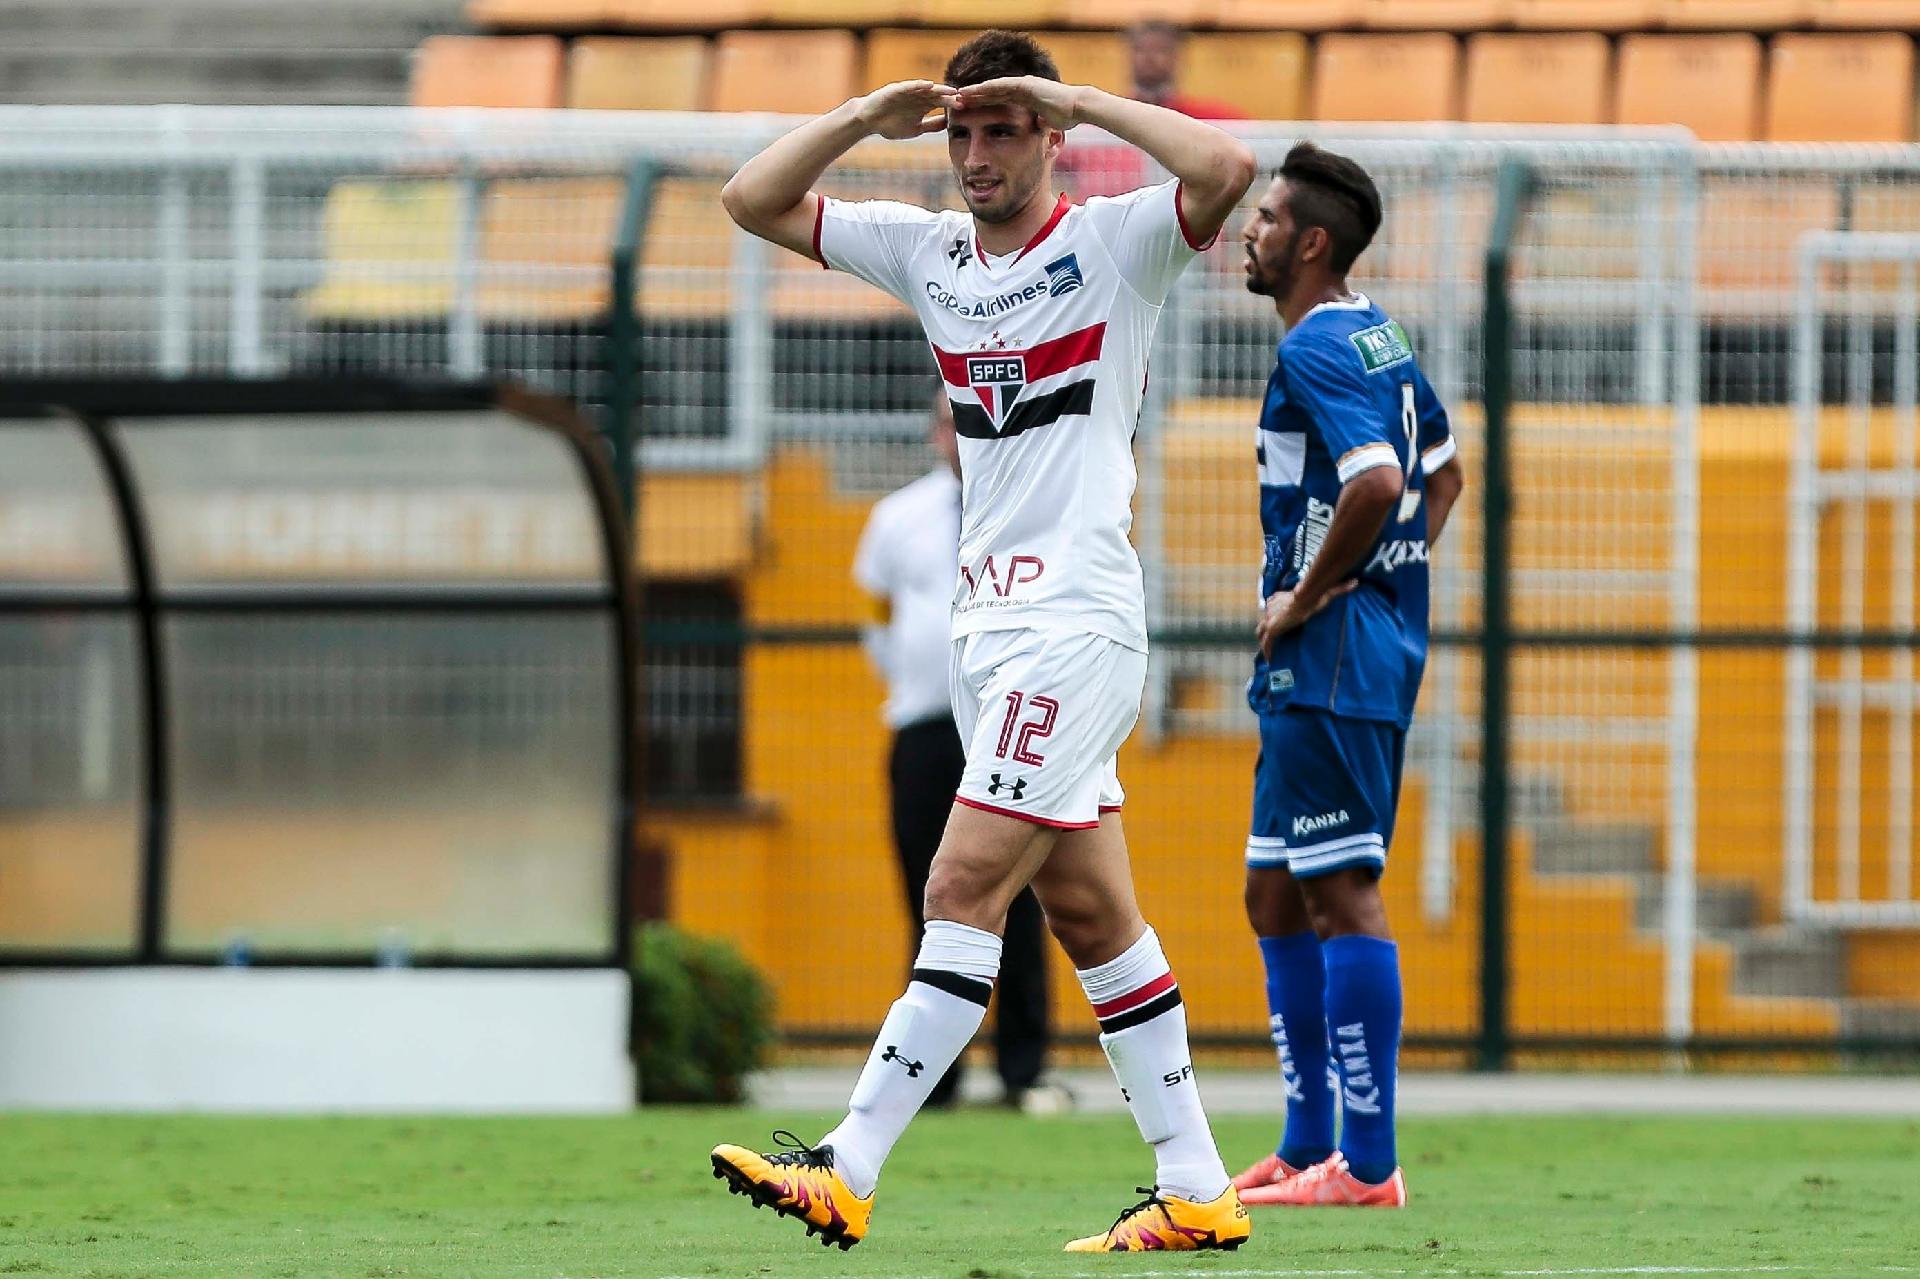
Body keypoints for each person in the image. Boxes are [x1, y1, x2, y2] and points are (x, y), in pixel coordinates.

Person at [711, 28, 1258, 1254]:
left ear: (1050, 140)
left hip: (1074, 622)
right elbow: (751, 200)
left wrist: (1077, 97)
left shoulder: (1114, 247)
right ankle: (1198, 1182)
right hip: (985, 633)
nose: (973, 153)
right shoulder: (930, 253)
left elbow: (1225, 169)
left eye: (1001, 128)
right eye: (961, 130)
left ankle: (847, 1163)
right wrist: (865, 114)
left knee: (960, 887)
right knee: (1089, 912)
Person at [1228, 142, 1465, 1208]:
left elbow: (1376, 482)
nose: (1252, 230)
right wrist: (1398, 585)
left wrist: (1321, 594)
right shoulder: (1380, 333)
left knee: (1339, 891)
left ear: (1310, 243)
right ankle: (1303, 1141)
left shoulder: (1321, 345)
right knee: (1273, 891)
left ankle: (1368, 1167)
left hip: (1331, 653)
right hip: (1334, 653)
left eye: (1269, 218)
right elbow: (1442, 471)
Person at [852, 393, 1059, 1115]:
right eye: (947, 418)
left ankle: (1023, 1068)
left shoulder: (1033, 507)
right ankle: (932, 1077)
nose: (959, 431)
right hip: (926, 728)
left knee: (1025, 895)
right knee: (928, 893)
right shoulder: (897, 518)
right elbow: (877, 621)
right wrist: (916, 684)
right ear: (937, 430)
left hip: (1007, 730)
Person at [1127, 20, 1247, 122]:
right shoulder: (1114, 119)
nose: (1149, 58)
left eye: (1161, 50)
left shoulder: (1211, 118)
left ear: (1178, 58)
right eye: (1140, 49)